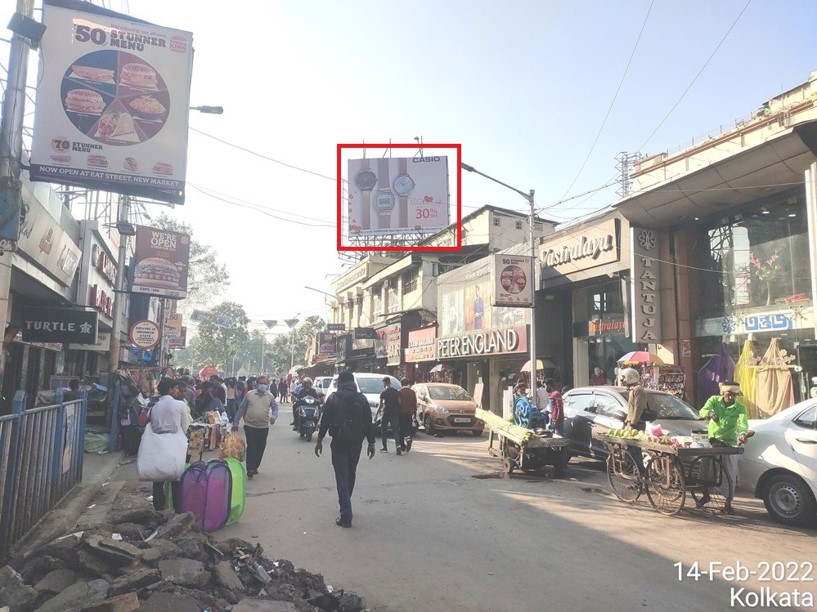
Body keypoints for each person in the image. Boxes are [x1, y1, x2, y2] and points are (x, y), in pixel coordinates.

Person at [314, 370, 376, 528]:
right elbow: (369, 422)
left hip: (339, 441)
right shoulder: (362, 399)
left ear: (340, 382)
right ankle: (346, 504)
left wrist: (319, 440)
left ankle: (346, 514)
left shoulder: (333, 398)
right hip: (356, 441)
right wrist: (371, 443)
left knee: (341, 474)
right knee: (351, 471)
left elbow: (325, 419)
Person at [698, 381, 749, 515]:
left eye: (734, 395)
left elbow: (743, 424)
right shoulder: (714, 400)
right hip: (712, 440)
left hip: (728, 442)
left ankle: (728, 503)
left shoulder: (740, 408)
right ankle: (705, 495)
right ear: (722, 393)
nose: (731, 398)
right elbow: (702, 411)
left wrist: (743, 434)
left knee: (729, 473)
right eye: (729, 394)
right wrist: (710, 413)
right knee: (706, 469)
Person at [149, 377, 190, 511]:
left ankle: (158, 511)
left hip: (158, 445)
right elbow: (185, 427)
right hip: (175, 445)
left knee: (158, 481)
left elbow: (153, 427)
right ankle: (178, 512)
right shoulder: (180, 405)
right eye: (176, 388)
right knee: (176, 480)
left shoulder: (154, 407)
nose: (178, 390)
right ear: (171, 390)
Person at [232, 375, 279, 478]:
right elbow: (241, 409)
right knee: (252, 446)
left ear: (268, 384)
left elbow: (275, 408)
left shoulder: (270, 396)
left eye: (265, 383)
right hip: (250, 426)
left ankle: (255, 465)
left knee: (260, 447)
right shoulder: (249, 394)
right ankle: (250, 468)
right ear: (256, 384)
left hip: (263, 427)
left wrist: (274, 417)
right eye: (261, 383)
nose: (263, 385)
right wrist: (235, 423)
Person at [621, 367, 647, 472]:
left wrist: (632, 424)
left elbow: (638, 408)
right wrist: (627, 422)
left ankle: (641, 474)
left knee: (635, 452)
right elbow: (631, 409)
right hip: (632, 424)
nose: (622, 380)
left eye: (624, 377)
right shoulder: (632, 390)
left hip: (637, 425)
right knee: (630, 451)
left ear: (630, 377)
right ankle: (634, 475)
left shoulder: (638, 390)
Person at [379, 377, 401, 454]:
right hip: (394, 413)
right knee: (395, 430)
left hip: (386, 413)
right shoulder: (396, 391)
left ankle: (385, 448)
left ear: (384, 383)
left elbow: (381, 405)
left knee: (383, 430)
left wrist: (377, 415)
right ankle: (398, 446)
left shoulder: (383, 392)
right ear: (390, 383)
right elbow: (399, 402)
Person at [398, 378, 417, 452]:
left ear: (401, 384)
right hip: (409, 413)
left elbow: (399, 403)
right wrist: (414, 414)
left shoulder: (400, 392)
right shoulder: (412, 392)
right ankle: (409, 438)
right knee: (408, 428)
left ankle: (402, 445)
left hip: (401, 413)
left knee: (401, 429)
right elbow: (414, 404)